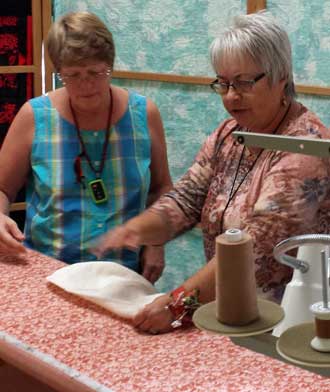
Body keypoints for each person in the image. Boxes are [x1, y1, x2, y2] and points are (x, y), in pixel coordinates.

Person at [92, 11, 330, 334]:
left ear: (281, 78)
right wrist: (137, 229)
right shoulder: (229, 134)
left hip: (290, 324)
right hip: (232, 315)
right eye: (224, 83)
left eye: (244, 82)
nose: (231, 96)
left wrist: (178, 303)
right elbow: (186, 199)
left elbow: (254, 249)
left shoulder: (305, 150)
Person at [0, 11, 172, 283]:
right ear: (58, 72)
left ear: (110, 66)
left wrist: (156, 242)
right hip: (48, 271)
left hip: (123, 271)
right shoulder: (34, 116)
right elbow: (2, 188)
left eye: (96, 72)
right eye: (73, 75)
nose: (86, 84)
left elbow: (162, 188)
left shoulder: (143, 114)